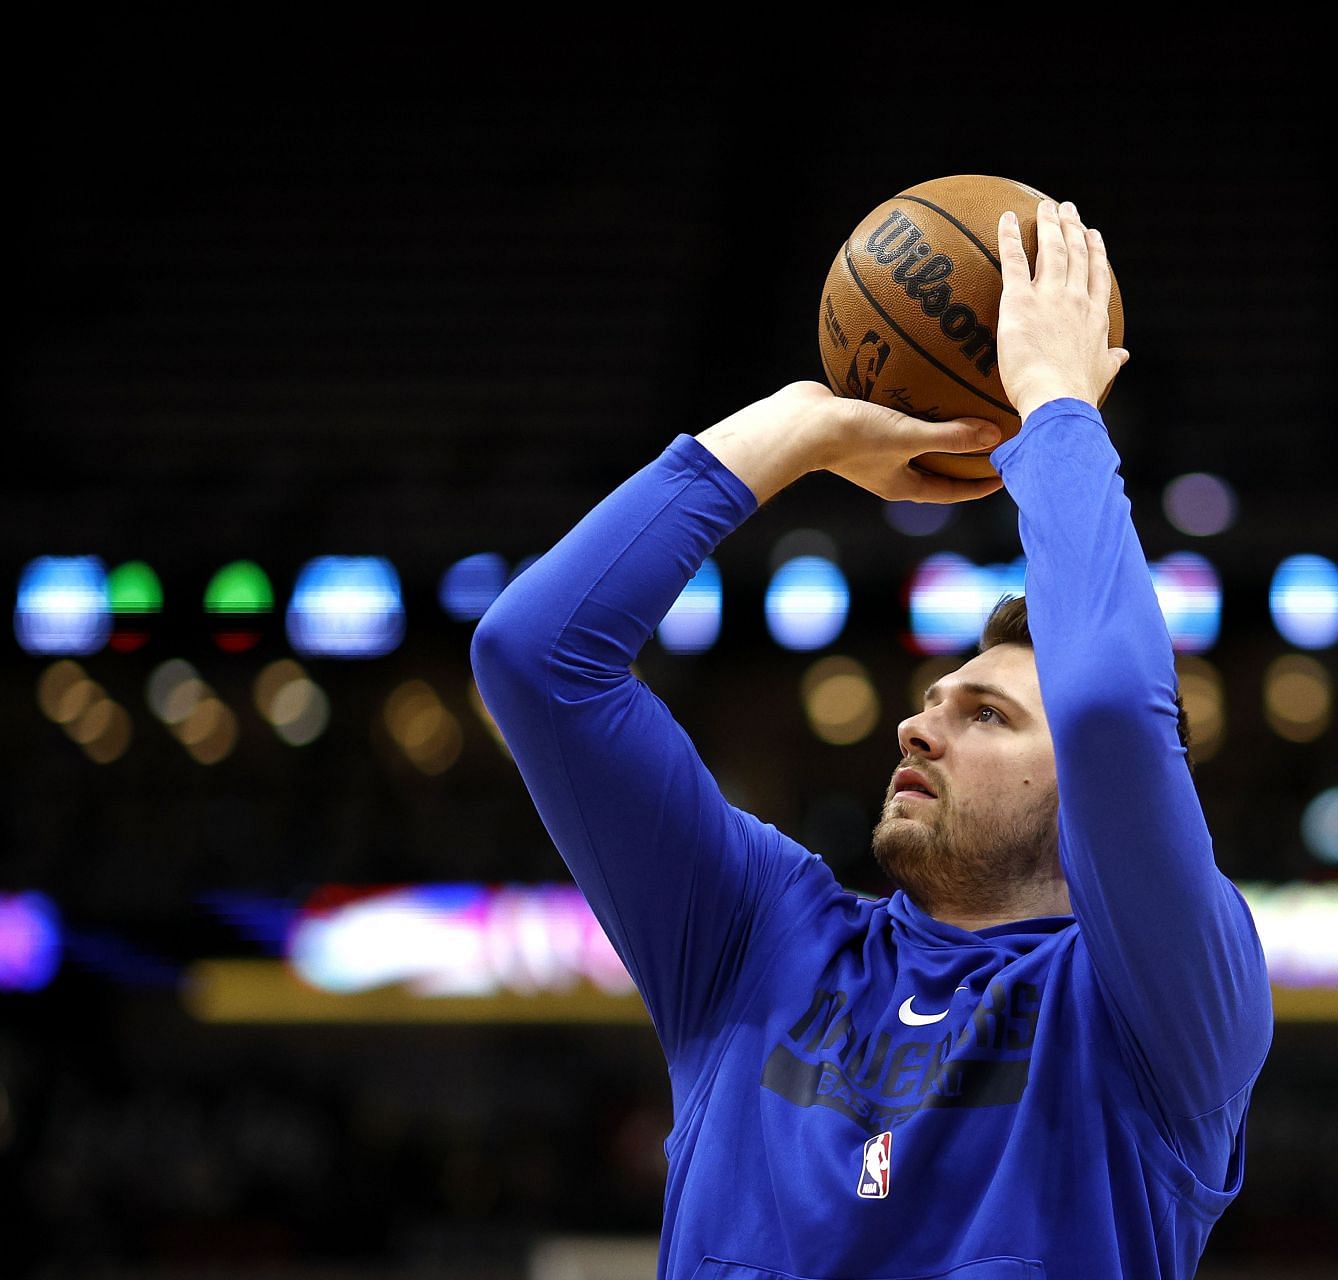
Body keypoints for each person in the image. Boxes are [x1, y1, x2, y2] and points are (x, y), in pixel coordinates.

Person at [472, 198, 1272, 1279]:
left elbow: (1111, 714)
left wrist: (1055, 410)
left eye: (985, 712)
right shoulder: (758, 937)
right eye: (935, 699)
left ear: (1085, 791)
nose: (917, 720)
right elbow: (535, 658)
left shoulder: (1161, 1006)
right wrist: (792, 433)